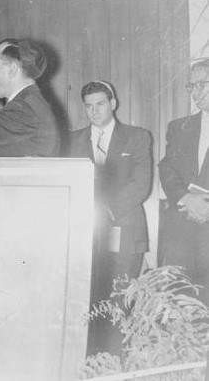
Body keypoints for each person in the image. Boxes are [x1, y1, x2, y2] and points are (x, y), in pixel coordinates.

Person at [69, 81, 152, 355]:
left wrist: (106, 212)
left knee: (119, 306)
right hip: (85, 237)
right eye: (89, 106)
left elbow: (142, 184)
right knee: (87, 305)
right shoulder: (74, 140)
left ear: (113, 103)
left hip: (124, 232)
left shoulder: (137, 137)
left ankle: (116, 366)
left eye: (100, 104)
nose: (94, 111)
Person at [159, 58, 209, 305]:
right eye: (192, 87)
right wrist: (186, 198)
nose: (195, 93)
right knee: (183, 305)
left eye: (201, 85)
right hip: (183, 234)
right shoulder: (179, 127)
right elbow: (167, 167)